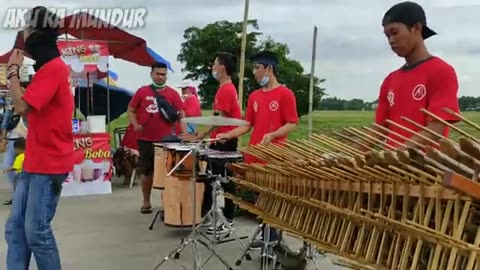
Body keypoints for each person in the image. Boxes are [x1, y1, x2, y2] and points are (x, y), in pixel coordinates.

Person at [4, 6, 74, 270]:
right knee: (15, 229)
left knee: (37, 233)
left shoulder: (53, 69)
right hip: (35, 160)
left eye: (27, 27)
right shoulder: (49, 69)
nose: (23, 32)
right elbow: (31, 116)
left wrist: (12, 72)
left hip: (49, 163)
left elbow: (21, 108)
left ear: (36, 32)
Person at [216, 51, 299, 248]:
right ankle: (267, 236)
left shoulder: (285, 94)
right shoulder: (254, 96)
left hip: (274, 156)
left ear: (268, 69)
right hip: (255, 157)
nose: (253, 72)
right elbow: (247, 125)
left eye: (257, 68)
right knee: (261, 198)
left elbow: (292, 122)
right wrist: (228, 134)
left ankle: (273, 241)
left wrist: (273, 135)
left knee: (273, 198)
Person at [370, 1, 460, 149]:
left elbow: (436, 129)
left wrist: (399, 153)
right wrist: (351, 155)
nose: (391, 40)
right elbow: (380, 128)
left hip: (426, 168)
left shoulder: (441, 71)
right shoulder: (390, 80)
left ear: (416, 28)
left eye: (395, 32)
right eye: (387, 36)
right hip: (390, 168)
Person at [127, 61, 187, 214]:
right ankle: (146, 201)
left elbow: (181, 115)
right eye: (158, 74)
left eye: (164, 74)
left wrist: (184, 132)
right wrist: (135, 124)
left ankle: (166, 203)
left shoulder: (173, 94)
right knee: (146, 171)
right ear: (151, 74)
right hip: (145, 139)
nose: (161, 77)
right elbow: (131, 109)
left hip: (166, 140)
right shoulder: (142, 91)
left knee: (167, 173)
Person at [193, 52, 242, 234]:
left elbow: (218, 120)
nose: (212, 67)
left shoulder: (226, 89)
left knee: (225, 180)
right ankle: (207, 214)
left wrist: (201, 135)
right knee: (211, 179)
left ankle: (228, 218)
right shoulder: (224, 88)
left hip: (225, 141)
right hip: (219, 140)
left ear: (222, 67)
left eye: (214, 64)